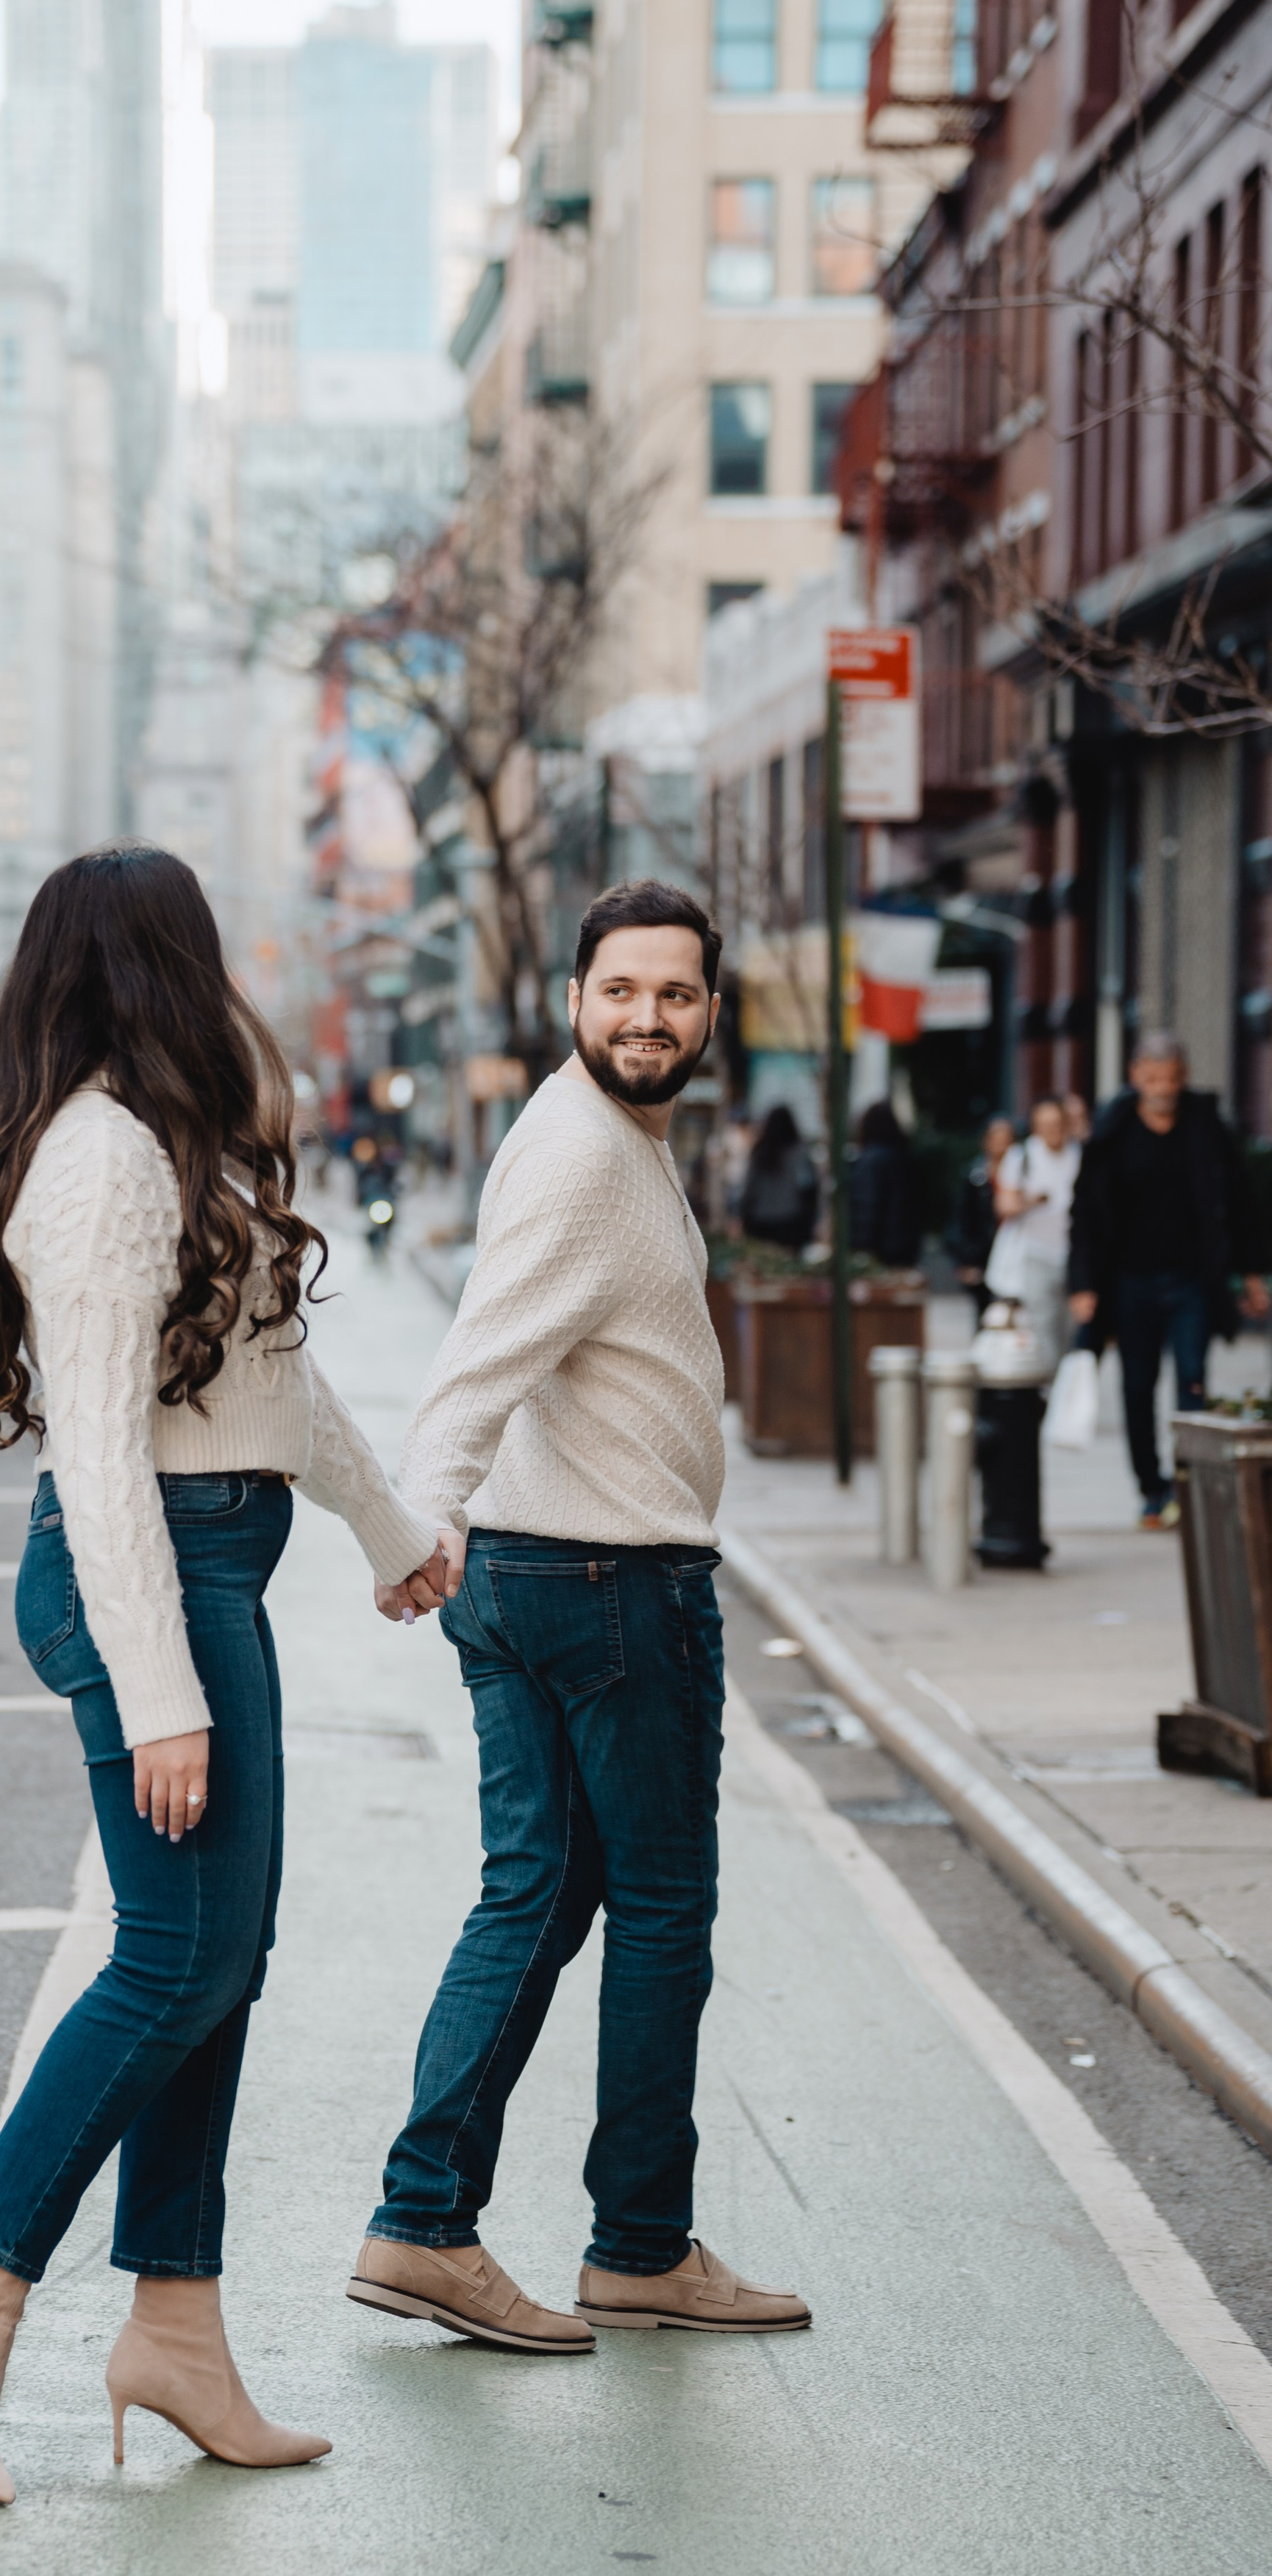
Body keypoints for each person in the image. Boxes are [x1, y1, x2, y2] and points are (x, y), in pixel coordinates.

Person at [0, 846, 448, 2500]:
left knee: (217, 1956)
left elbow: (276, 1384)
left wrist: (385, 1524)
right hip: (150, 1583)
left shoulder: (174, 1158)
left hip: (211, 1566)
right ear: (160, 968)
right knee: (173, 1962)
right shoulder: (105, 1167)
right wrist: (161, 1693)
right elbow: (101, 1455)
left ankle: (179, 2334)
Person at [347, 880, 809, 2353]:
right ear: (573, 1001)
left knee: (535, 1897)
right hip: (614, 1584)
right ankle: (637, 2244)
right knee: (657, 1912)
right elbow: (476, 1362)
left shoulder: (596, 1138)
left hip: (547, 1575)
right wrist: (423, 1521)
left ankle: (424, 2220)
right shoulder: (586, 1157)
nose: (646, 1018)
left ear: (709, 1018)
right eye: (621, 991)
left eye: (673, 996)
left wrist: (447, 1532)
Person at [1068, 1033, 1271, 1530]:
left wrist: (1249, 1274)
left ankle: (1190, 1484)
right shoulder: (1113, 1132)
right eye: (1154, 1078)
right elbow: (1087, 1215)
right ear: (1135, 1077)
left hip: (1192, 1282)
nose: (1164, 1088)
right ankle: (1151, 1491)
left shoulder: (1206, 1127)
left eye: (1172, 1078)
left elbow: (1240, 1205)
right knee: (1138, 1387)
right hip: (1129, 1281)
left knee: (1192, 1379)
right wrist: (1083, 1284)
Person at [987, 1095, 1081, 1375]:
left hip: (1074, 1256)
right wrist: (1032, 1201)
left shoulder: (1080, 1153)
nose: (1053, 1131)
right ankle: (1051, 1396)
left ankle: (1066, 1394)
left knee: (1072, 1335)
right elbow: (1004, 1205)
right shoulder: (1022, 1156)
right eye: (1045, 1125)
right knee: (1043, 1331)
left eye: (1057, 1124)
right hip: (1037, 1255)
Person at [950, 1116, 1016, 1310]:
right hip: (984, 1257)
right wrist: (966, 1260)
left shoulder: (1023, 1175)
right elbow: (962, 1219)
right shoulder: (975, 1176)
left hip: (1015, 1254)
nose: (1001, 1147)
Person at [848, 1099, 922, 1268]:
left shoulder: (872, 1160)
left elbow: (867, 1206)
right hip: (904, 1244)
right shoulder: (904, 1156)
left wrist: (860, 1247)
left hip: (880, 1248)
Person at [737, 1102, 820, 1252]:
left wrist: (744, 1215)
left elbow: (750, 1189)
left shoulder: (760, 1152)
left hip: (761, 1222)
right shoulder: (798, 1153)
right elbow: (807, 1187)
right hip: (791, 1222)